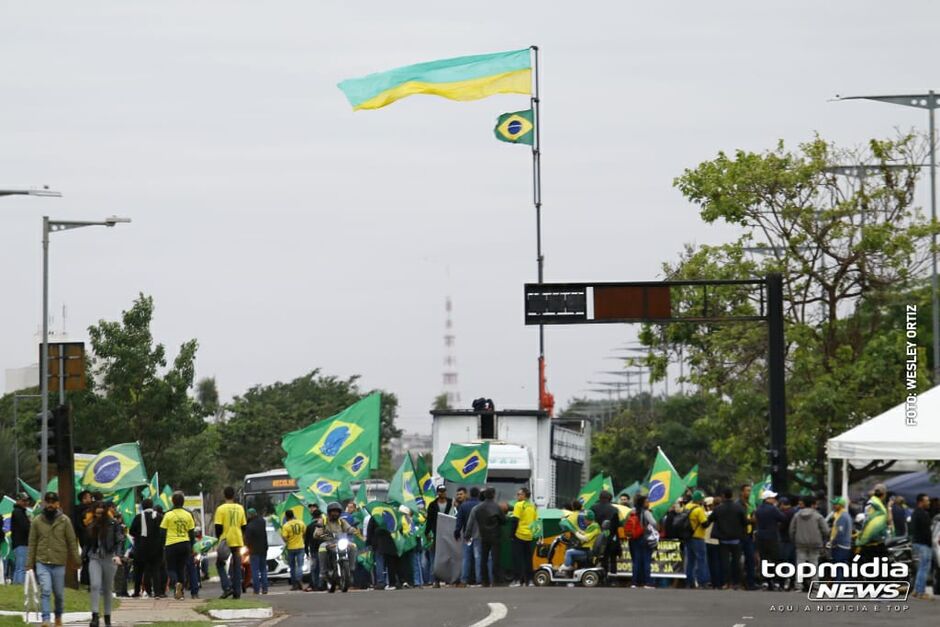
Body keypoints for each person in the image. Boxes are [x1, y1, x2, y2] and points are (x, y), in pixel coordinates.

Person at [26, 492, 81, 627]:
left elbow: (71, 541)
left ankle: (58, 616)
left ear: (58, 504)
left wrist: (76, 560)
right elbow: (32, 542)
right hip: (42, 561)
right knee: (45, 589)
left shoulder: (65, 520)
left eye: (53, 502)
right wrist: (29, 563)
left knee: (59, 594)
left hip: (59, 562)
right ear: (44, 503)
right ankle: (46, 619)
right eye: (48, 502)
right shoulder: (37, 521)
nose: (50, 505)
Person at [85, 501, 125, 627]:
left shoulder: (114, 524)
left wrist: (118, 555)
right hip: (94, 557)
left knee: (107, 588)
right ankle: (95, 616)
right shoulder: (91, 524)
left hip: (109, 557)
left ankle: (107, 617)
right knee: (95, 585)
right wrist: (83, 557)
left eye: (101, 510)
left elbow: (119, 540)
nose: (98, 513)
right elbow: (87, 543)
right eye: (96, 510)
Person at [708, 487, 747, 590]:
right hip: (736, 539)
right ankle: (736, 583)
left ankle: (726, 583)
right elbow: (745, 522)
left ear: (723, 496)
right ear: (732, 496)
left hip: (723, 539)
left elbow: (709, 520)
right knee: (736, 562)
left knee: (724, 562)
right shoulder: (739, 508)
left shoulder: (718, 509)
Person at [161, 492, 195, 600]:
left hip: (171, 544)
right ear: (183, 502)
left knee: (170, 568)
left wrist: (163, 545)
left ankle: (176, 584)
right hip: (185, 544)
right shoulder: (188, 515)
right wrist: (192, 546)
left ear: (172, 502)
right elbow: (191, 533)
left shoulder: (168, 515)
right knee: (181, 568)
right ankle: (181, 592)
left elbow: (162, 532)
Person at [214, 487, 247, 599]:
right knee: (237, 566)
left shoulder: (221, 509)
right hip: (237, 539)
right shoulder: (240, 508)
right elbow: (244, 526)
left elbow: (218, 527)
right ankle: (237, 592)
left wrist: (219, 539)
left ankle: (227, 587)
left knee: (219, 564)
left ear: (224, 495)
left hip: (225, 539)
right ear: (234, 496)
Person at [789, 495, 827, 592]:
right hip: (815, 544)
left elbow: (791, 530)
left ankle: (799, 585)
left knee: (800, 564)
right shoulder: (818, 516)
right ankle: (815, 586)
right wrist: (823, 539)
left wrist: (794, 540)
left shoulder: (797, 515)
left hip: (800, 543)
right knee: (814, 564)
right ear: (813, 505)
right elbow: (826, 530)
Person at [129, 498, 162, 597]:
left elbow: (131, 532)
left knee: (138, 571)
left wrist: (139, 536)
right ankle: (157, 592)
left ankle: (136, 591)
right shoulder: (159, 517)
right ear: (152, 506)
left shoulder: (138, 517)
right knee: (156, 571)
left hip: (140, 548)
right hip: (156, 549)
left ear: (142, 507)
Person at [473, 487, 505, 587]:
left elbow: (477, 519)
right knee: (496, 558)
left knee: (483, 559)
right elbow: (503, 520)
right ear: (493, 495)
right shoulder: (496, 507)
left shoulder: (478, 508)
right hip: (495, 535)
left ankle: (484, 581)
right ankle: (496, 580)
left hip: (484, 535)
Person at [754, 490, 785, 590]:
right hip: (772, 537)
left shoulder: (758, 509)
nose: (774, 499)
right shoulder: (773, 509)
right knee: (775, 559)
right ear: (767, 499)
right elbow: (783, 518)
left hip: (761, 536)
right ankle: (775, 581)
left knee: (764, 559)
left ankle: (765, 581)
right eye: (773, 498)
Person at [425, 485, 454, 588]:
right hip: (437, 533)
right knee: (436, 558)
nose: (442, 493)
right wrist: (427, 533)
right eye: (440, 491)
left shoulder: (451, 503)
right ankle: (435, 580)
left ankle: (448, 579)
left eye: (444, 491)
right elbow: (429, 520)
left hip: (449, 533)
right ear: (437, 493)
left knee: (448, 557)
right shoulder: (432, 505)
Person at [626, 494, 656, 588]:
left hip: (633, 538)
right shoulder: (646, 512)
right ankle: (647, 582)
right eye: (647, 501)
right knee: (646, 560)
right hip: (644, 538)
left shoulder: (632, 511)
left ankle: (634, 582)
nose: (648, 503)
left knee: (636, 561)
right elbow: (654, 523)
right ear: (643, 503)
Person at [683, 490, 710, 589]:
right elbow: (704, 524)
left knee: (690, 560)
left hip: (688, 537)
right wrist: (710, 518)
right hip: (698, 537)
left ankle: (689, 582)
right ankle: (703, 581)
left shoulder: (686, 507)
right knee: (701, 560)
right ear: (699, 500)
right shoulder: (699, 510)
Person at [511, 487, 538, 586]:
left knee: (517, 558)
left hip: (519, 534)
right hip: (530, 535)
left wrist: (512, 534)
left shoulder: (518, 505)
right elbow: (536, 521)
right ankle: (530, 581)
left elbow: (515, 520)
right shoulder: (532, 506)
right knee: (528, 559)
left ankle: (518, 580)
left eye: (519, 494)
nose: (517, 496)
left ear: (524, 496)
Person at [454, 487, 481, 587]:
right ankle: (479, 579)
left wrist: (457, 532)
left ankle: (464, 579)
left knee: (466, 558)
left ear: (469, 494)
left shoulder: (464, 506)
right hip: (479, 535)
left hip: (467, 535)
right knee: (478, 557)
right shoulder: (480, 505)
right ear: (478, 494)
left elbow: (459, 521)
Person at [910, 493, 934, 600]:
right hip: (923, 544)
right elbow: (926, 531)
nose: (928, 502)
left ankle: (916, 590)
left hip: (917, 543)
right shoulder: (922, 514)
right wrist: (930, 543)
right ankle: (921, 592)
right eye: (927, 500)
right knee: (924, 568)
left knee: (921, 568)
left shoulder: (916, 513)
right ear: (921, 502)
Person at [590, 490, 619, 580]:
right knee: (612, 557)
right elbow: (616, 525)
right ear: (609, 498)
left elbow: (589, 522)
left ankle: (598, 576)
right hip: (611, 536)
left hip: (596, 536)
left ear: (599, 498)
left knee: (598, 557)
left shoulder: (593, 508)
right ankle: (612, 577)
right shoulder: (614, 509)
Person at [858, 483, 890, 563]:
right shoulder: (874, 504)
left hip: (874, 542)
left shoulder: (874, 503)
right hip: (873, 543)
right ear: (884, 494)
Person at [244, 508, 269, 595]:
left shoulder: (249, 526)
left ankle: (256, 589)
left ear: (250, 515)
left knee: (255, 570)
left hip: (254, 550)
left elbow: (247, 540)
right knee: (263, 570)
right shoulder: (262, 522)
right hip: (263, 549)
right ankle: (265, 588)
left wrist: (247, 547)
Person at [827, 496, 853, 580]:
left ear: (841, 505)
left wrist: (833, 542)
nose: (833, 506)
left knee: (839, 567)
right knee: (842, 567)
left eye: (835, 504)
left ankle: (838, 585)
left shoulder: (842, 517)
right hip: (844, 545)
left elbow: (840, 532)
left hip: (841, 545)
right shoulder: (844, 515)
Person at [738, 484, 757, 590]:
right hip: (740, 535)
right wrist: (751, 520)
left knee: (750, 560)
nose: (749, 493)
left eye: (750, 491)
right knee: (737, 560)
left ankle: (751, 583)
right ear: (742, 492)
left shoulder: (750, 505)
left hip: (749, 535)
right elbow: (740, 520)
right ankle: (737, 582)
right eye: (747, 491)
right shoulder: (738, 504)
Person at [280, 510, 306, 591]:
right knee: (300, 565)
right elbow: (304, 532)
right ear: (293, 515)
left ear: (287, 517)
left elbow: (284, 537)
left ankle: (294, 584)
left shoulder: (286, 525)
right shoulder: (301, 523)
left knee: (292, 567)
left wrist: (287, 541)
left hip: (291, 548)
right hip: (300, 546)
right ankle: (299, 579)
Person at [11, 492, 31, 584]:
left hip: (18, 544)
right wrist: (31, 524)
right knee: (21, 568)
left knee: (19, 567)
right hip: (21, 543)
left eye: (27, 500)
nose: (26, 502)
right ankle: (20, 585)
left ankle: (16, 585)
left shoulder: (19, 512)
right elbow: (25, 527)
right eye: (23, 500)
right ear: (18, 500)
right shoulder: (18, 512)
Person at [702, 496, 723, 589]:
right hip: (716, 541)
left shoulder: (705, 514)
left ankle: (711, 582)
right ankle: (718, 582)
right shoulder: (720, 514)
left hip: (706, 541)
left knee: (709, 563)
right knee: (717, 563)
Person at [303, 502, 323, 591]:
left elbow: (306, 540)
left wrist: (306, 551)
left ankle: (315, 585)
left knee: (314, 568)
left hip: (313, 549)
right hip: (322, 549)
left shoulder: (309, 526)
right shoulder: (323, 525)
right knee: (322, 567)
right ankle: (322, 584)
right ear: (320, 516)